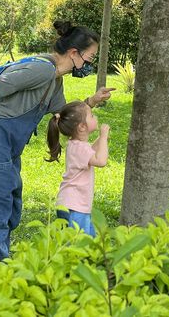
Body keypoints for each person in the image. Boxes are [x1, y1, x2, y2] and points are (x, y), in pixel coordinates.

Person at [0, 20, 115, 263]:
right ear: (74, 53)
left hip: (6, 144)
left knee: (9, 201)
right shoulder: (43, 70)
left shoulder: (55, 80)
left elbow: (64, 114)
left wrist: (91, 102)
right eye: (89, 58)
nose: (88, 64)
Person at [46, 101, 110, 236]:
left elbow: (90, 153)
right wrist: (103, 137)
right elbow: (101, 161)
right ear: (82, 127)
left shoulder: (76, 145)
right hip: (75, 207)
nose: (95, 117)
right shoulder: (80, 148)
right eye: (92, 116)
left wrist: (99, 140)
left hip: (69, 203)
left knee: (84, 242)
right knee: (79, 246)